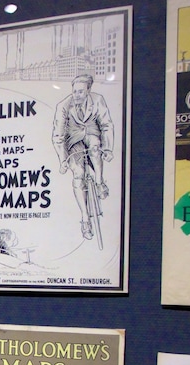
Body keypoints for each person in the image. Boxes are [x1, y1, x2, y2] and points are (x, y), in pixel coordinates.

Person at [52, 73, 115, 241]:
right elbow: (58, 135)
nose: (77, 95)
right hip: (74, 142)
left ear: (88, 90)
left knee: (95, 147)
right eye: (74, 91)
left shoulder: (98, 100)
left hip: (93, 135)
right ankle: (85, 219)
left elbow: (107, 124)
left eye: (80, 92)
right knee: (78, 176)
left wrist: (108, 149)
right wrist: (63, 160)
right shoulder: (63, 106)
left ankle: (100, 182)